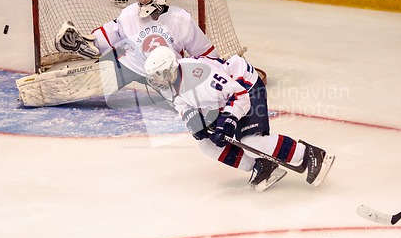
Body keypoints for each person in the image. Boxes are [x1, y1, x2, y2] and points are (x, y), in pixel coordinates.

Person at [143, 46, 335, 192]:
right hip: (218, 100)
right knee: (206, 144)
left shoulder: (200, 76)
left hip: (247, 88)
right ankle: (263, 165)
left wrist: (228, 122)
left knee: (251, 141)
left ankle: (311, 154)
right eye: (154, 77)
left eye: (159, 75)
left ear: (170, 69)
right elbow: (181, 103)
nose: (156, 81)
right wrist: (193, 122)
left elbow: (239, 95)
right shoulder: (167, 83)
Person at [17, 0, 218, 107]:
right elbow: (105, 38)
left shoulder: (181, 19)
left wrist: (215, 74)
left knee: (192, 106)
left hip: (165, 73)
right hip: (127, 65)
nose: (140, 1)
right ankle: (33, 93)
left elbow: (206, 53)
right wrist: (87, 42)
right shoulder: (130, 13)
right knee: (79, 85)